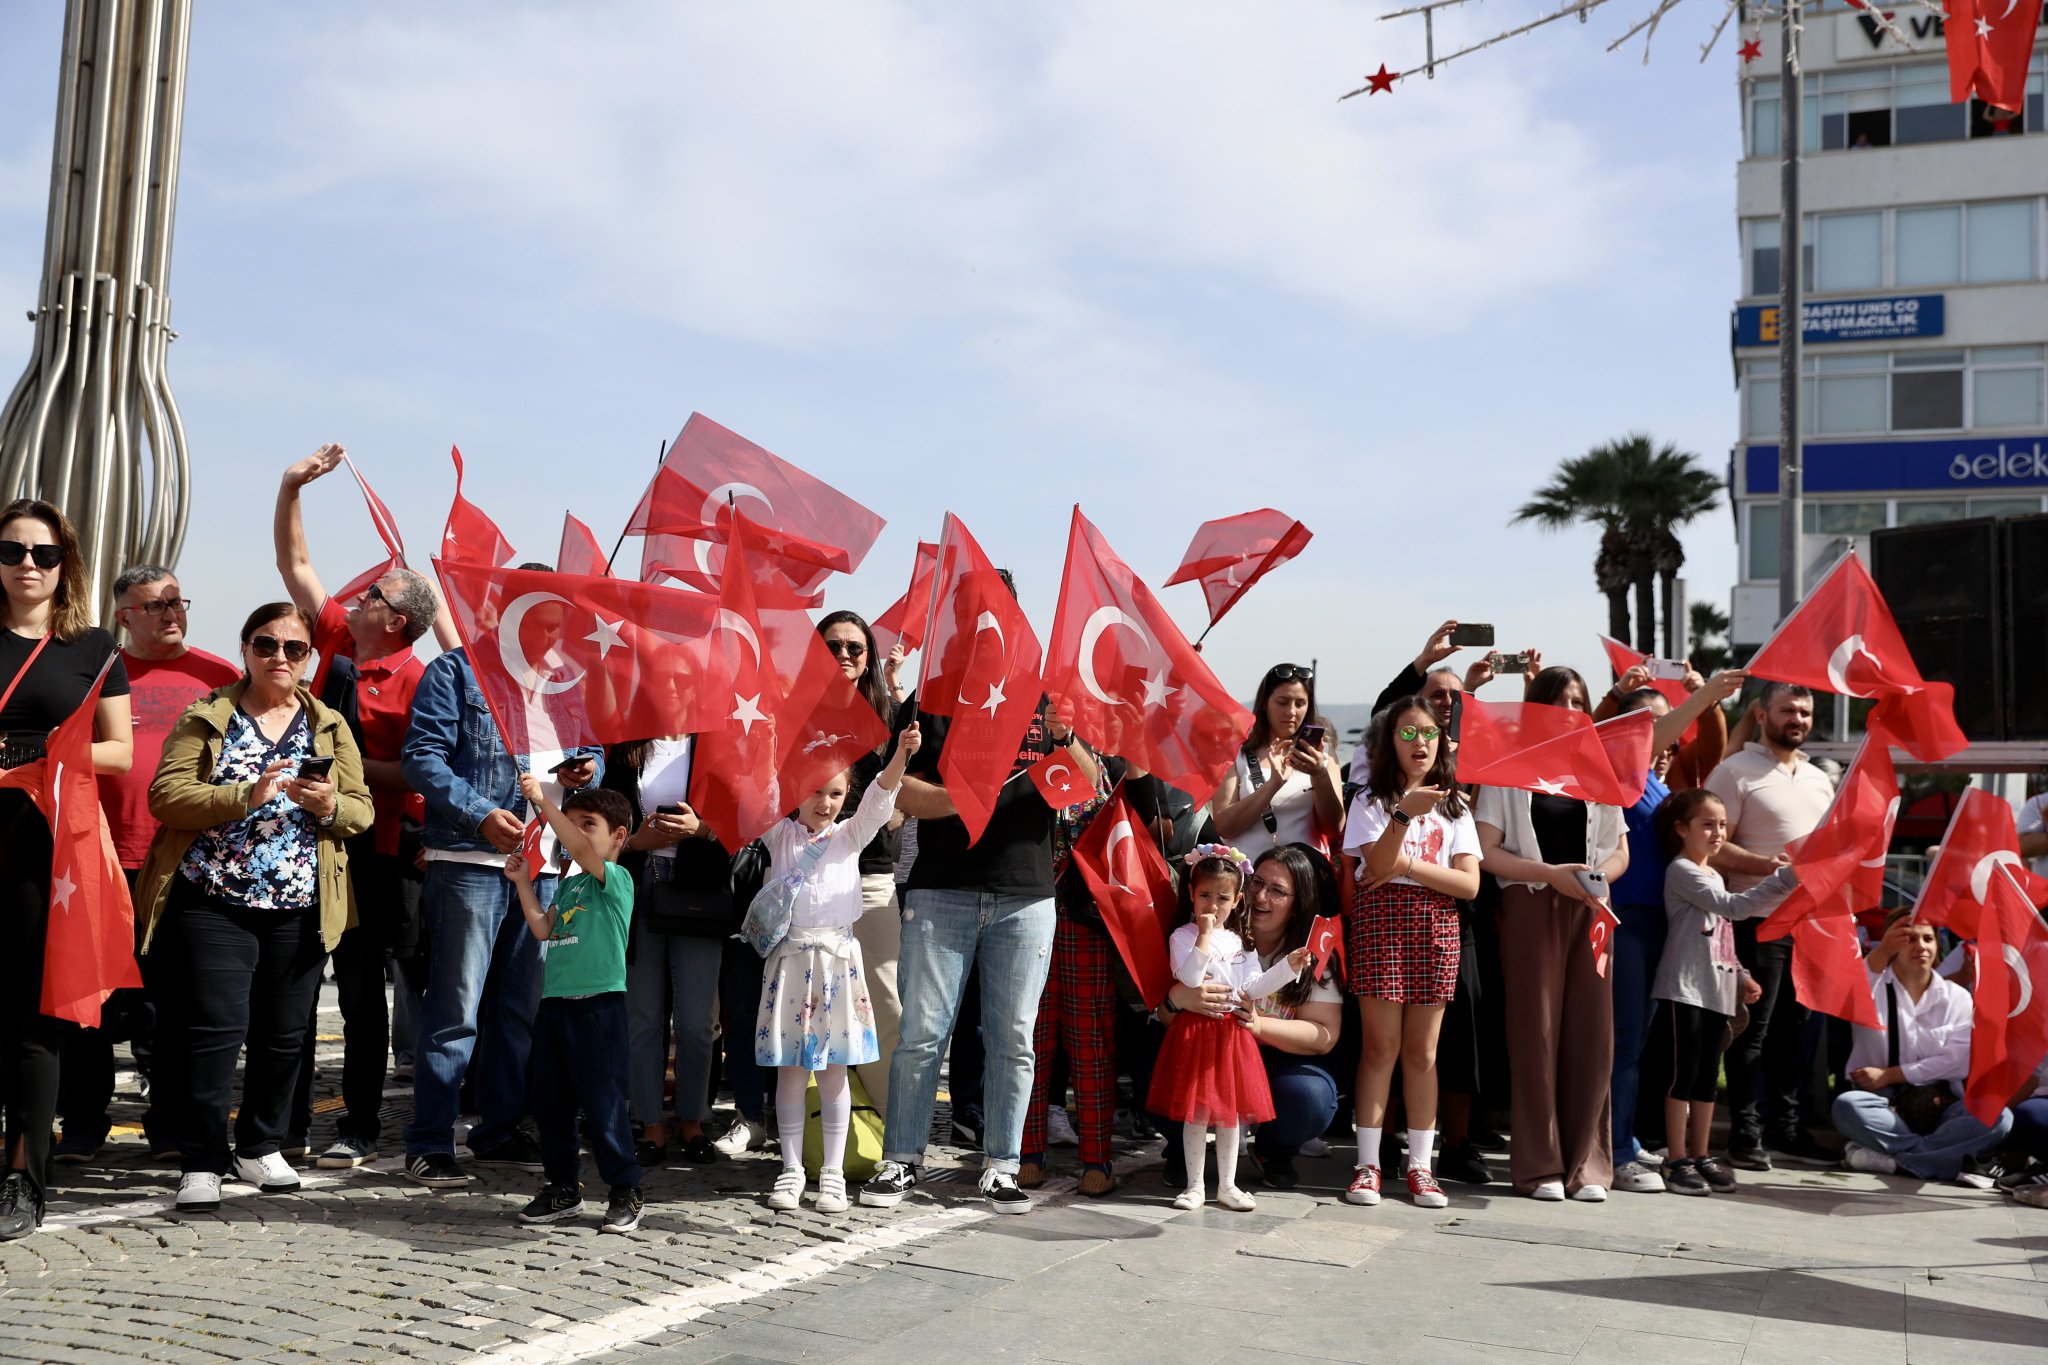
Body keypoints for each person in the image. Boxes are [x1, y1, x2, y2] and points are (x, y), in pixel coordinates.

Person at [138, 603, 371, 1212]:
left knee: (284, 1035)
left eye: (294, 649)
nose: (280, 658)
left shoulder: (329, 724)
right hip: (213, 899)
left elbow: (362, 811)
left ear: (308, 660)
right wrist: (246, 793)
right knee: (213, 1032)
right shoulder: (209, 714)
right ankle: (202, 1159)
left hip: (298, 904)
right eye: (267, 645)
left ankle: (261, 1145)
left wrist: (326, 806)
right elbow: (167, 796)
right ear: (245, 649)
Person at [860, 604, 1065, 1216]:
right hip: (940, 890)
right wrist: (967, 801)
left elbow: (1087, 782)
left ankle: (1001, 1165)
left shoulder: (1045, 699)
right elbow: (899, 788)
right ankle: (902, 1159)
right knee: (923, 1034)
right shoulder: (930, 699)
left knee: (1014, 1039)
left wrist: (1068, 737)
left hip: (1026, 896)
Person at [275, 445, 445, 1167]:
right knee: (290, 982)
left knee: (360, 1001)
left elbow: (418, 772)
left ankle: (361, 1124)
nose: (359, 598)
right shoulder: (341, 644)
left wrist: (345, 774)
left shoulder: (421, 681)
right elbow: (297, 569)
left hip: (373, 857)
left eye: (374, 595)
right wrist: (292, 488)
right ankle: (278, 1124)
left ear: (399, 621)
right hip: (306, 844)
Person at [399, 608, 601, 1188]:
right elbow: (422, 757)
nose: (550, 636)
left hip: (543, 866)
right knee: (456, 1009)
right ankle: (431, 1142)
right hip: (468, 862)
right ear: (509, 618)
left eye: (558, 626)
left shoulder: (567, 680)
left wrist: (589, 767)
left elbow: (593, 751)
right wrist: (481, 812)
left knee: (519, 1012)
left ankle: (497, 1130)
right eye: (538, 622)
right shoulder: (455, 671)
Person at [55, 566, 235, 1165]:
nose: (172, 613)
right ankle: (83, 1120)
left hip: (183, 862)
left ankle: (169, 1122)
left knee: (171, 1005)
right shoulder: (94, 671)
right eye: (156, 605)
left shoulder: (220, 677)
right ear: (123, 616)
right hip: (97, 857)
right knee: (90, 999)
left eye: (178, 601)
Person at [0, 499, 133, 1241]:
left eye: (43, 554)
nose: (26, 564)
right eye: (13, 549)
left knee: (32, 1022)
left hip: (45, 847)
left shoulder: (90, 647)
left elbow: (119, 751)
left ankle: (24, 1174)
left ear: (65, 563)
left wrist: (40, 756)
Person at [1474, 665, 1629, 1201]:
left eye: (1577, 701)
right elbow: (1488, 853)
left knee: (1594, 1034)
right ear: (1537, 707)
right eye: (1559, 700)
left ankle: (1588, 1163)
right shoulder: (1506, 770)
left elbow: (1619, 850)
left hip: (1591, 909)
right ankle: (1539, 1165)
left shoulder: (1598, 768)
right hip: (1532, 904)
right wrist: (1552, 876)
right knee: (1535, 1034)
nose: (1569, 709)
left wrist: (1593, 882)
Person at [756, 725, 920, 1214]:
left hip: (836, 968)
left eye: (834, 793)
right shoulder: (779, 834)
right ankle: (790, 1170)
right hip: (790, 964)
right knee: (789, 1073)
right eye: (814, 791)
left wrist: (900, 756)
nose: (824, 802)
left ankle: (831, 1174)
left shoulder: (851, 837)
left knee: (833, 1074)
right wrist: (766, 737)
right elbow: (760, 786)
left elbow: (880, 797)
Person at [1597, 665, 1745, 1195]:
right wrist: (1704, 694)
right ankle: (1612, 1154)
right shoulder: (1615, 771)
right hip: (1627, 922)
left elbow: (1707, 845)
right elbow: (1634, 736)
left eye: (1667, 726)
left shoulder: (1661, 786)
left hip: (1665, 929)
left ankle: (1626, 1138)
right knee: (1626, 1043)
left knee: (1641, 1046)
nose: (1662, 735)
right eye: (1649, 724)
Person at [1340, 698, 1481, 1210]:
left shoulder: (1456, 806)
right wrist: (1402, 816)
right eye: (1406, 734)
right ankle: (1368, 1165)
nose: (1419, 743)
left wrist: (1408, 867)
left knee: (1423, 1053)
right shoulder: (1370, 801)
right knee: (1380, 1049)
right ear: (1387, 743)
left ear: (1441, 741)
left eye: (1428, 734)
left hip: (1435, 928)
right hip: (1381, 927)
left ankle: (1422, 1166)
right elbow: (1372, 863)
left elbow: (1468, 885)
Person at [1704, 682, 1837, 1172]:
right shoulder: (1734, 771)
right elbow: (1712, 846)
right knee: (1752, 1032)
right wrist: (1767, 867)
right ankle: (1745, 1133)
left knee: (1794, 1033)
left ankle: (1786, 1128)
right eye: (1788, 710)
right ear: (1761, 714)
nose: (1797, 719)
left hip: (1810, 923)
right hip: (1755, 919)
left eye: (1804, 712)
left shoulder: (1820, 778)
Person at [504, 778, 643, 1234]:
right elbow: (543, 929)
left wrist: (544, 802)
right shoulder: (570, 886)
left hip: (597, 1009)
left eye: (590, 825)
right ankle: (563, 1188)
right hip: (555, 1010)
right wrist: (524, 882)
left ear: (618, 837)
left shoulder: (615, 879)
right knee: (551, 1107)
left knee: (604, 1107)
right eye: (575, 822)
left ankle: (625, 1189)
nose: (577, 834)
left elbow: (581, 849)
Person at [1651, 788, 1795, 1196]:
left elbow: (1722, 934)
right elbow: (1732, 908)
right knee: (1683, 1075)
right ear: (1682, 829)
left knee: (1706, 1080)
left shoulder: (1712, 873)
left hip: (1716, 989)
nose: (1718, 832)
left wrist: (1742, 973)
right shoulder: (1682, 870)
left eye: (1722, 825)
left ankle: (1700, 1155)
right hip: (1685, 988)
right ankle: (1675, 1158)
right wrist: (1785, 877)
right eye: (1707, 824)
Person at [1149, 845, 1308, 1212]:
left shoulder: (1240, 942)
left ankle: (1227, 1185)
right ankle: (1194, 1186)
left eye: (1223, 898)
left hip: (1232, 1036)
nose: (1213, 905)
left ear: (1237, 900)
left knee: (1230, 1114)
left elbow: (1253, 987)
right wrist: (1203, 935)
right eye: (1205, 895)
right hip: (1196, 1033)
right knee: (1197, 1113)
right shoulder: (1183, 936)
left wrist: (1289, 966)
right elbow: (1188, 977)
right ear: (1191, 893)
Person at [603, 730, 731, 1165]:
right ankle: (651, 1124)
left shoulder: (717, 742)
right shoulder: (626, 745)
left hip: (699, 891)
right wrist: (637, 843)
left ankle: (692, 1119)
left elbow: (746, 817)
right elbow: (603, 822)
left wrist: (703, 829)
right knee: (643, 1018)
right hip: (639, 886)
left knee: (696, 1022)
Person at [1831, 909, 2014, 1182]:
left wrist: (1890, 1074)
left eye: (1928, 939)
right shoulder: (1871, 988)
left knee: (2000, 1116)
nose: (1921, 946)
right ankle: (1945, 1160)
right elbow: (1853, 982)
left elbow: (1956, 1062)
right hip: (1883, 1104)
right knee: (1847, 1106)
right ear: (1890, 943)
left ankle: (1899, 1162)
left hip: (1943, 1105)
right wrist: (1881, 952)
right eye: (1908, 938)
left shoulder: (1957, 998)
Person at [818, 610, 906, 1122]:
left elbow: (905, 794)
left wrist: (891, 813)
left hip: (870, 878)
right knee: (808, 1007)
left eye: (855, 647)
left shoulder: (889, 719)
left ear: (869, 657)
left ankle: (893, 1127)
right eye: (832, 646)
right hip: (805, 876)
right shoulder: (795, 713)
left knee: (885, 1008)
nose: (845, 655)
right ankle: (812, 1129)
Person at [1208, 663, 1343, 859]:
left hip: (1302, 877)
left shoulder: (1323, 756)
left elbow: (1334, 827)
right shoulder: (1236, 753)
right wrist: (1273, 784)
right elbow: (1224, 826)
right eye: (1282, 702)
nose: (1291, 712)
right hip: (1247, 873)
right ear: (1264, 702)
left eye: (1300, 703)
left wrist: (1319, 775)